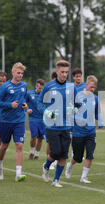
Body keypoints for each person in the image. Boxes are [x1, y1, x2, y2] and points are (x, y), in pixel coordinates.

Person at [40, 60, 78, 188]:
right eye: (62, 72)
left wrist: (75, 109)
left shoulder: (72, 87)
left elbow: (78, 103)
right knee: (55, 152)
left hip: (67, 126)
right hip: (52, 126)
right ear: (57, 72)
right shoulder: (49, 86)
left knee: (64, 155)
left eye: (66, 72)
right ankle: (46, 166)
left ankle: (56, 180)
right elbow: (40, 103)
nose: (64, 74)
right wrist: (47, 112)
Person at [0, 62, 29, 182]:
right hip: (6, 120)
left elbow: (23, 98)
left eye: (22, 73)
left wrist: (24, 105)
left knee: (19, 145)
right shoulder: (5, 87)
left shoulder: (24, 85)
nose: (20, 75)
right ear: (13, 72)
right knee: (4, 145)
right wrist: (10, 105)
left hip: (19, 120)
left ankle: (18, 173)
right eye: (18, 73)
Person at [65, 75, 103, 183]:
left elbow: (97, 113)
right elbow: (70, 113)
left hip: (91, 131)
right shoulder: (78, 97)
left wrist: (100, 120)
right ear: (86, 84)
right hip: (78, 132)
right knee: (77, 157)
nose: (92, 89)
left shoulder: (95, 98)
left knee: (90, 154)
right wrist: (78, 118)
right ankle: (70, 165)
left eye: (94, 88)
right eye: (91, 87)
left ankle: (84, 177)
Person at [27, 79, 46, 160]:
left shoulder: (45, 95)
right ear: (36, 86)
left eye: (42, 88)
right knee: (33, 136)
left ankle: (37, 155)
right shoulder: (29, 93)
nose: (40, 90)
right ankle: (31, 152)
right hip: (33, 119)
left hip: (42, 119)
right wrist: (27, 109)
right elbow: (23, 102)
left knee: (41, 138)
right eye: (39, 88)